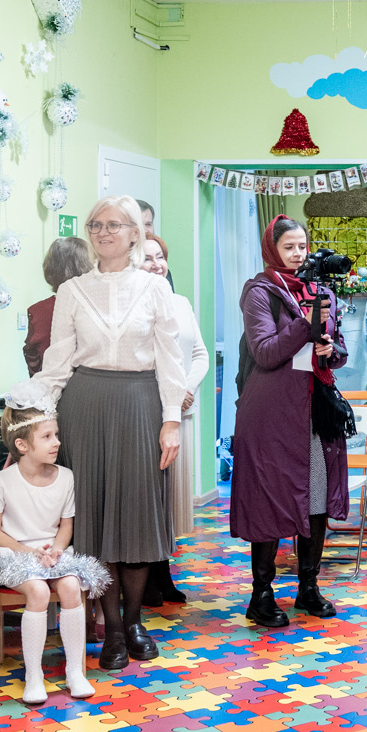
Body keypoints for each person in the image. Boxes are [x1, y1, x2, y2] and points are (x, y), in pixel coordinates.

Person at [37, 195, 187, 670]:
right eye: (96, 225)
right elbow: (57, 360)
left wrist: (170, 421)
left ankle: (136, 620)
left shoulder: (156, 288)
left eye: (114, 225)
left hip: (141, 404)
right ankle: (114, 630)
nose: (103, 232)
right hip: (85, 405)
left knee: (138, 514)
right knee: (95, 518)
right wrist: (44, 416)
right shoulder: (72, 290)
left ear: (134, 234)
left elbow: (171, 359)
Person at [230, 216, 349, 628]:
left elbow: (339, 350)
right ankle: (261, 595)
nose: (298, 254)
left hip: (314, 409)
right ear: (272, 249)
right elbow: (265, 352)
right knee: (269, 499)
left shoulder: (323, 292)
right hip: (270, 413)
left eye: (303, 246)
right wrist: (306, 321)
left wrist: (331, 349)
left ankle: (308, 587)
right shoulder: (259, 292)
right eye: (289, 247)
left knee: (316, 496)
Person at [0, 383, 109, 705]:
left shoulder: (66, 477)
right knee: (37, 591)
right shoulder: (2, 481)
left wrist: (57, 549)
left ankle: (74, 671)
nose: (57, 442)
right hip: (11, 553)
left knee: (71, 586)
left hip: (52, 552)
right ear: (22, 445)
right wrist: (29, 552)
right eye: (47, 436)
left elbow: (66, 525)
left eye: (56, 434)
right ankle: (34, 675)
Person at [140, 231, 209, 605]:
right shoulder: (132, 304)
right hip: (147, 411)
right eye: (147, 258)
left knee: (171, 499)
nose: (156, 264)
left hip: (181, 412)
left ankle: (163, 573)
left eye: (160, 257)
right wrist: (169, 394)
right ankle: (146, 579)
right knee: (148, 498)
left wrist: (185, 389)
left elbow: (199, 354)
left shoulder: (180, 302)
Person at [25, 237, 93, 377]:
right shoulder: (96, 307)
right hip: (88, 385)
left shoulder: (37, 311)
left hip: (50, 385)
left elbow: (32, 356)